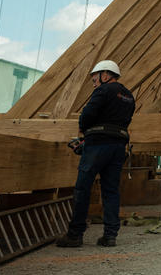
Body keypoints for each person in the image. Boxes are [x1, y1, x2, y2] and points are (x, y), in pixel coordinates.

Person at [57, 60, 135, 247]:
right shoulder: (129, 96)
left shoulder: (103, 90)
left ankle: (75, 235)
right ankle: (110, 235)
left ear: (105, 75)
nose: (94, 83)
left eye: (95, 79)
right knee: (110, 191)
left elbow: (87, 115)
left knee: (83, 188)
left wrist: (84, 132)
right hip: (118, 146)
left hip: (98, 145)